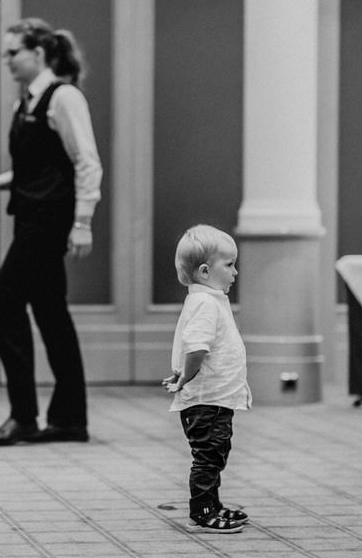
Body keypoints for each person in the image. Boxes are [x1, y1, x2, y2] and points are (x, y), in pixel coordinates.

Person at [0, 18, 103, 446]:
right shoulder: (24, 103)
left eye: (13, 53)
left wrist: (82, 223)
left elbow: (86, 162)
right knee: (50, 312)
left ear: (38, 53)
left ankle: (23, 416)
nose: (6, 61)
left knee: (4, 301)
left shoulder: (64, 97)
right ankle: (69, 419)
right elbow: (36, 168)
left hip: (49, 219)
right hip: (29, 215)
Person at [162, 224, 252, 533]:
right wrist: (185, 377)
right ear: (204, 271)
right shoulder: (205, 304)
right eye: (229, 265)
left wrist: (181, 373)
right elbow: (197, 348)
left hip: (214, 399)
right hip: (206, 401)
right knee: (208, 458)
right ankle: (201, 511)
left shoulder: (208, 300)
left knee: (215, 454)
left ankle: (212, 505)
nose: (235, 272)